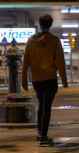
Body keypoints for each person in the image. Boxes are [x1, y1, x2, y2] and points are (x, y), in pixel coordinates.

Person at [22, 14, 68, 145]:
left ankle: (40, 132)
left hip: (37, 79)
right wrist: (64, 80)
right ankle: (43, 135)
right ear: (50, 24)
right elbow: (60, 61)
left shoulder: (31, 41)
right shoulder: (54, 41)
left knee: (41, 104)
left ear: (40, 24)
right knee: (46, 106)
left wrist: (24, 79)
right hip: (50, 78)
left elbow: (26, 61)